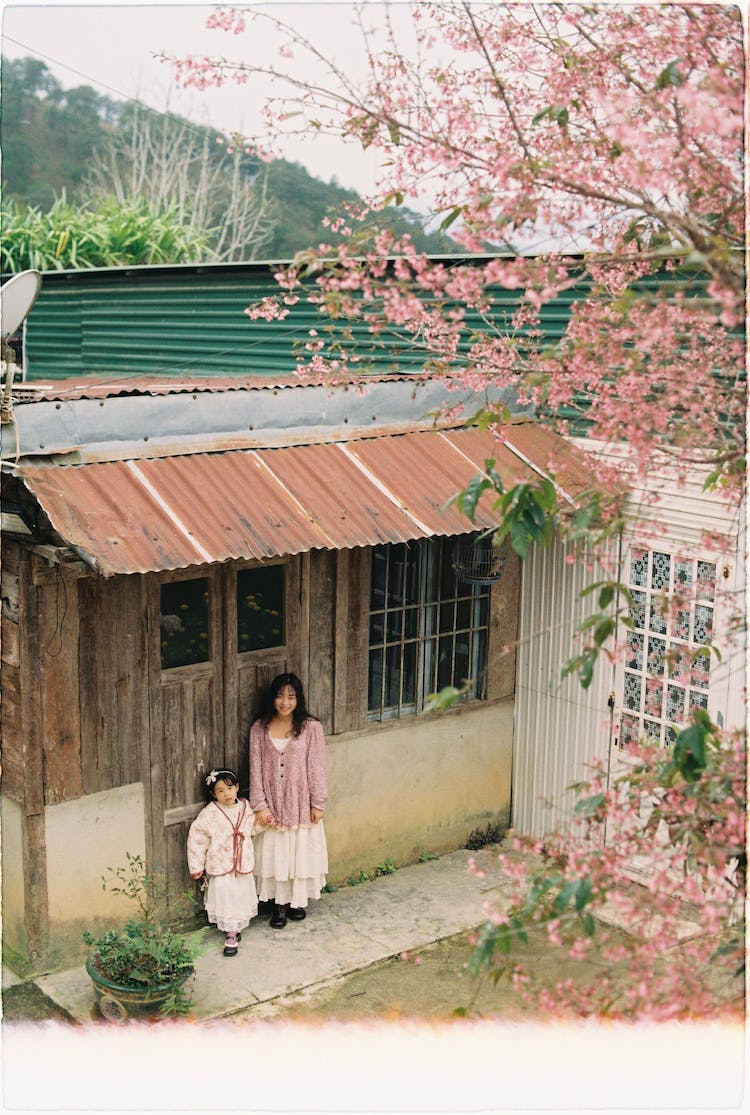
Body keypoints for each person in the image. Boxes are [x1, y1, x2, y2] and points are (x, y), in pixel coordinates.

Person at [249, 672, 328, 929]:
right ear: (273, 698)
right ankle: (278, 906)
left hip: (300, 800)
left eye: (291, 697)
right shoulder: (259, 729)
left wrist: (318, 802)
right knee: (277, 852)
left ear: (298, 699)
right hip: (272, 802)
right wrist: (259, 805)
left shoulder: (310, 728)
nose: (285, 702)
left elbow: (317, 766)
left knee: (299, 851)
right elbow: (255, 769)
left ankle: (297, 901)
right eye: (280, 696)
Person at [187, 768, 272, 956]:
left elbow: (251, 828)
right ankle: (231, 933)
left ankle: (236, 926)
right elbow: (197, 839)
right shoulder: (209, 814)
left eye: (230, 788)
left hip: (241, 861)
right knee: (226, 895)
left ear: (237, 788)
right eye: (220, 791)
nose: (227, 794)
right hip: (221, 863)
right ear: (213, 794)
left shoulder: (244, 807)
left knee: (239, 894)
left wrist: (264, 823)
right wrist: (196, 866)